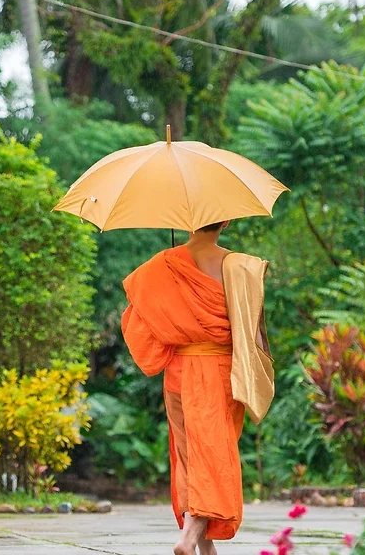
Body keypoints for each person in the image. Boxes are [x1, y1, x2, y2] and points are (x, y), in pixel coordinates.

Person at [121, 220, 274, 555]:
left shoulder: (164, 263)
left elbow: (139, 321)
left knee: (192, 455)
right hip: (220, 370)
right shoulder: (240, 265)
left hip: (179, 372)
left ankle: (205, 549)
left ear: (185, 223)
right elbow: (253, 332)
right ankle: (190, 537)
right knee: (214, 454)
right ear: (228, 220)